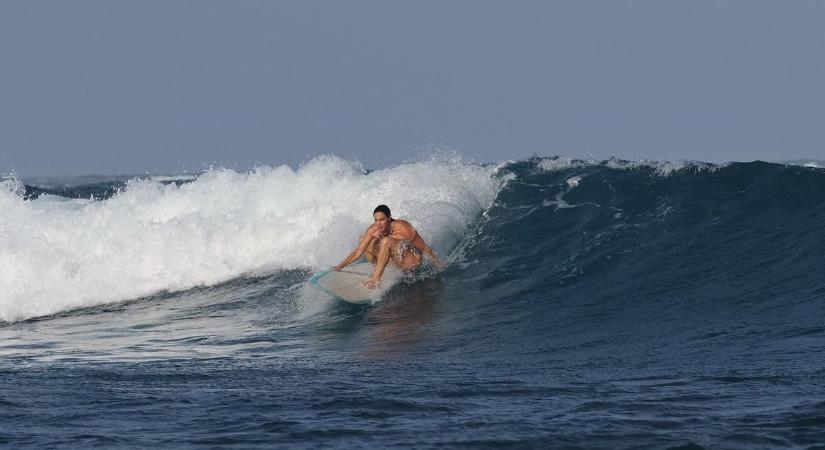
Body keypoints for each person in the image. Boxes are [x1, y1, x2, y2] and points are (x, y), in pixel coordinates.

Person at [334, 205, 443, 289]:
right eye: (376, 220)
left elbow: (425, 248)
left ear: (389, 218)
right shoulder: (375, 229)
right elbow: (359, 251)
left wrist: (439, 267)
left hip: (411, 262)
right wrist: (340, 266)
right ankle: (378, 268)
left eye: (382, 219)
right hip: (396, 258)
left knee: (386, 241)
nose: (378, 224)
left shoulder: (405, 229)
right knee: (363, 239)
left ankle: (374, 281)